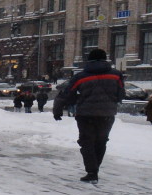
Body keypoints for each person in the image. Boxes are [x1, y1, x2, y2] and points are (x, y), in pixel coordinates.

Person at [53, 48, 126, 183]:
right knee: (101, 141)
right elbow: (121, 94)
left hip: (85, 115)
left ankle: (92, 172)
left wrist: (58, 110)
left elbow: (67, 95)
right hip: (107, 114)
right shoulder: (116, 75)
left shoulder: (80, 77)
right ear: (105, 59)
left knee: (87, 142)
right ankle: (94, 168)